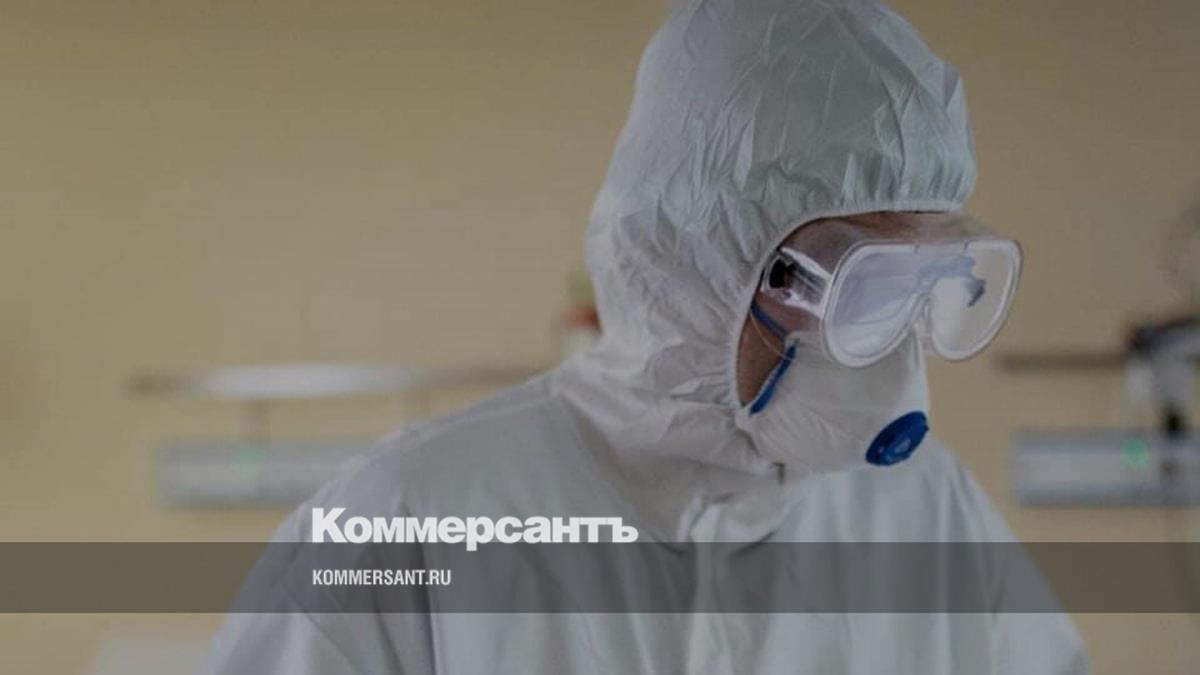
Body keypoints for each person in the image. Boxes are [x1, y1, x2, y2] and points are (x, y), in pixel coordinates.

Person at [205, 0, 1088, 672]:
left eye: (922, 285)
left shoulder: (931, 512)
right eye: (858, 289)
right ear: (695, 265)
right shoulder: (406, 524)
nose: (892, 351)